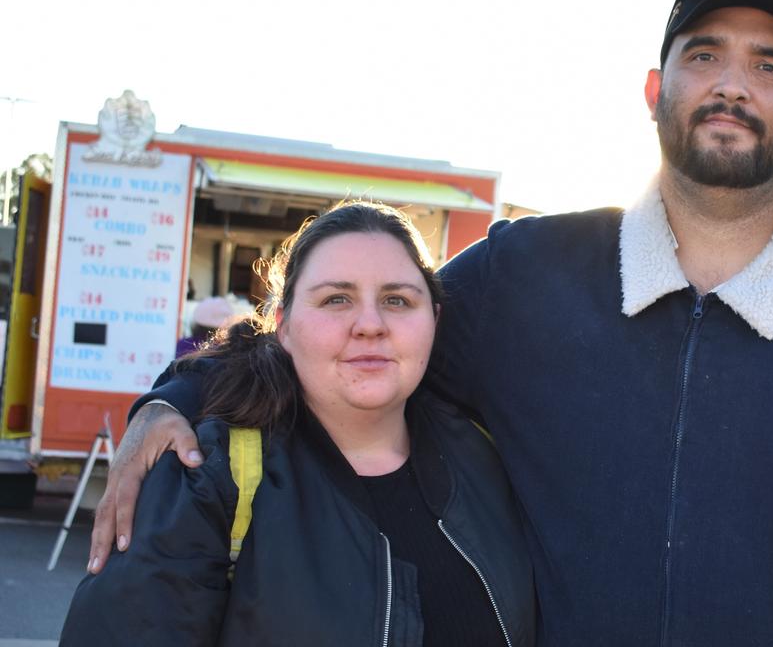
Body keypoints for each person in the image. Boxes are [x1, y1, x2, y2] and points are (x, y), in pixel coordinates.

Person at [87, 0, 773, 645]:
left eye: (770, 66)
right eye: (706, 56)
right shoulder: (529, 274)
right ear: (657, 90)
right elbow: (350, 345)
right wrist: (176, 399)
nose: (733, 86)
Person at [62, 202, 534, 646]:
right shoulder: (211, 477)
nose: (370, 324)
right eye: (335, 299)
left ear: (433, 319)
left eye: (396, 300)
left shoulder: (491, 458)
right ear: (283, 326)